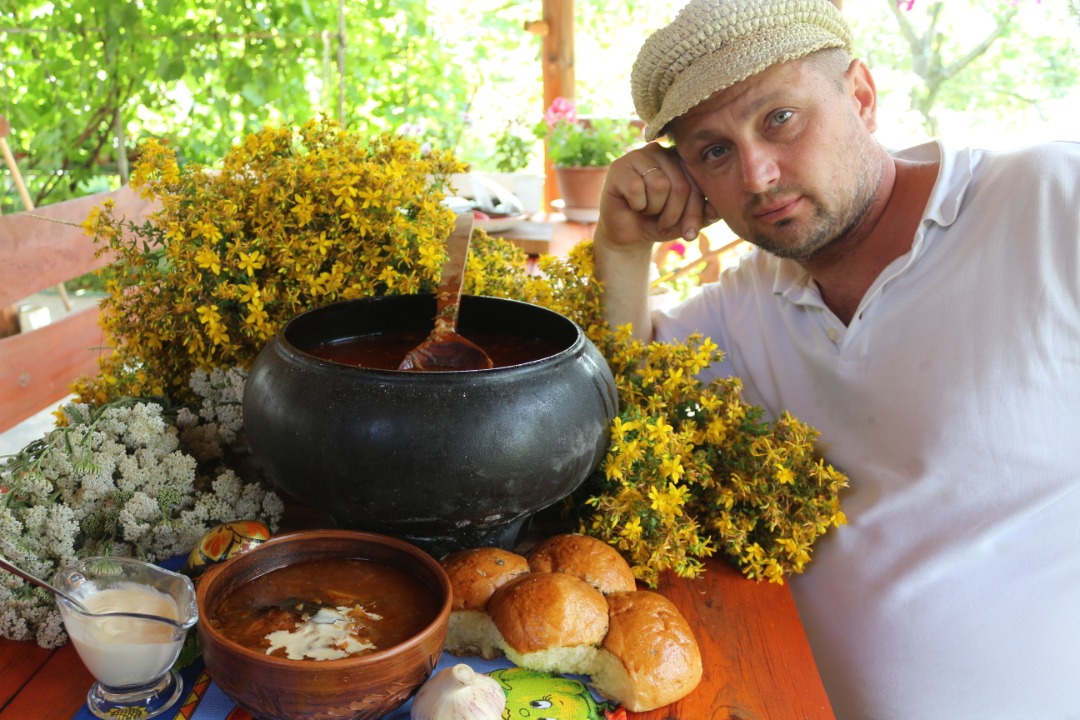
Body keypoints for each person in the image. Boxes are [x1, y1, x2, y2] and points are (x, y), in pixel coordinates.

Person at [593, 0, 1080, 718]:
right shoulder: (750, 301)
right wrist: (623, 248)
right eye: (714, 151)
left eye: (779, 119)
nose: (758, 177)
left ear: (860, 95)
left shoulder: (1045, 203)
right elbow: (614, 403)